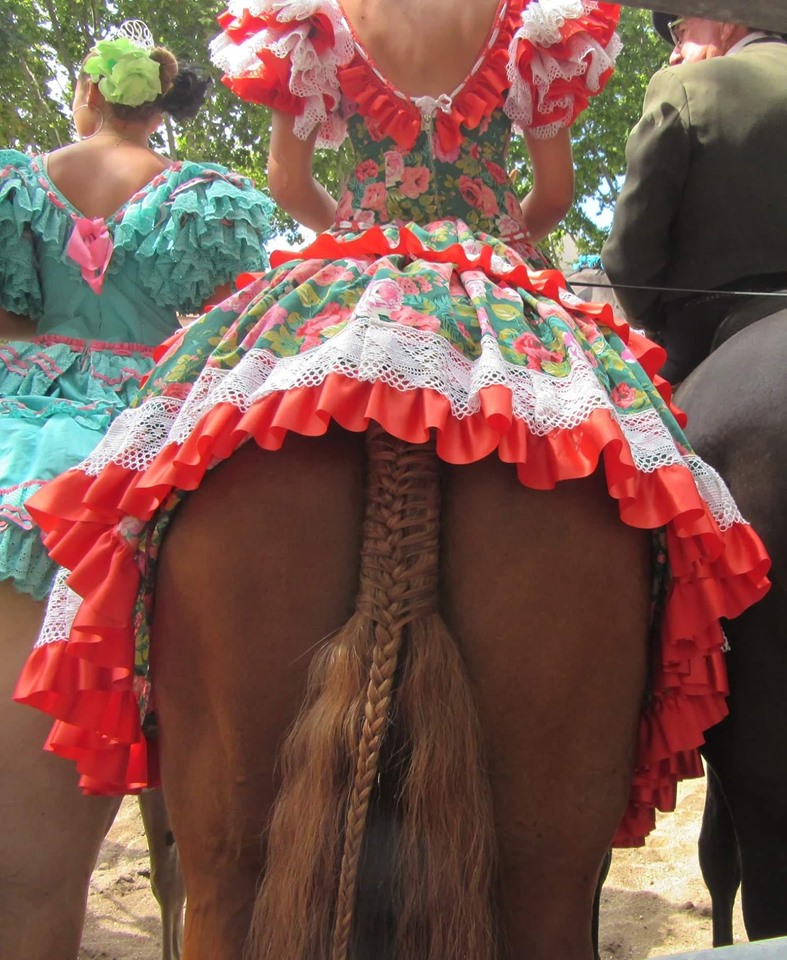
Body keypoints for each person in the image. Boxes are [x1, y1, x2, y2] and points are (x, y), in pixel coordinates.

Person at [12, 2, 770, 957]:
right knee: (653, 481)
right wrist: (497, 234)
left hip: (346, 270)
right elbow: (552, 193)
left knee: (159, 467)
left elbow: (287, 182)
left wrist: (355, 231)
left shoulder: (311, 22)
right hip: (495, 282)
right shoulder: (538, 26)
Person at [0, 20, 275, 960]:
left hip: (26, 452)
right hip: (151, 435)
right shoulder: (200, 199)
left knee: (24, 878)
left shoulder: (18, 185)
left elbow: (9, 326)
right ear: (159, 113)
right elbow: (226, 328)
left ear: (85, 95)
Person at [602, 10, 787, 384]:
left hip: (708, 328)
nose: (674, 54)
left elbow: (630, 257)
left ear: (727, 19)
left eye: (681, 32)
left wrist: (649, 318)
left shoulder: (686, 85)